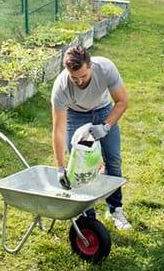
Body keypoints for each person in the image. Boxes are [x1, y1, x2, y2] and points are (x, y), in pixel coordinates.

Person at [51, 46, 131, 231]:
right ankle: (88, 216)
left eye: (83, 76)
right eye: (74, 78)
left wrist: (106, 126)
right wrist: (60, 167)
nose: (79, 81)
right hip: (75, 115)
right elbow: (58, 131)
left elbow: (122, 101)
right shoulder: (61, 87)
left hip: (104, 110)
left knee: (113, 160)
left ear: (90, 65)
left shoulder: (105, 69)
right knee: (79, 167)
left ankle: (115, 209)